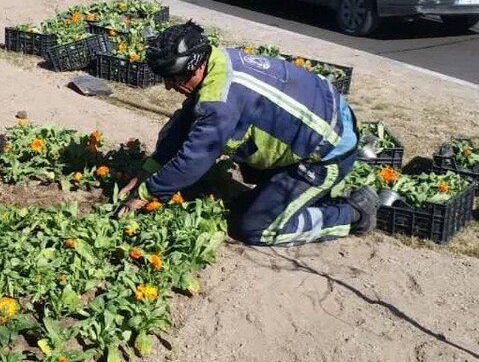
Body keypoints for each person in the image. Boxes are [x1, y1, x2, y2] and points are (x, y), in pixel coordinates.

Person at [118, 21, 378, 246]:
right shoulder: (218, 61)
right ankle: (288, 194)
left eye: (173, 79)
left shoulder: (221, 103)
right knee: (242, 195)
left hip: (328, 152)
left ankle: (351, 215)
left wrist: (146, 194)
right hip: (318, 121)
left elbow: (194, 159)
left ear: (196, 67)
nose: (168, 87)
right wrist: (150, 168)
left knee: (254, 227)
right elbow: (185, 124)